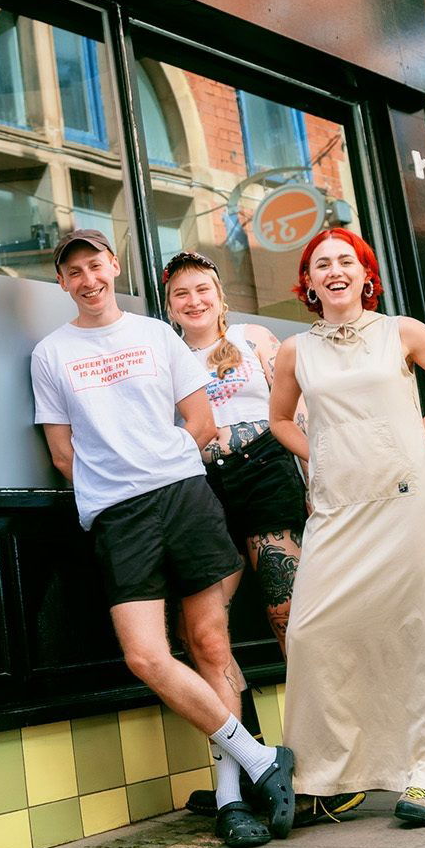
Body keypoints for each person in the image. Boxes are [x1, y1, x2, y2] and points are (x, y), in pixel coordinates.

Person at [31, 230, 297, 848]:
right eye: (73, 271)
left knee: (209, 642)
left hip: (184, 497)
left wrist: (158, 463)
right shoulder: (51, 353)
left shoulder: (155, 335)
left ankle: (231, 799)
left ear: (114, 267)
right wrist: (116, 480)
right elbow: (62, 454)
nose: (88, 279)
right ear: (62, 283)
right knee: (146, 655)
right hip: (118, 517)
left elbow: (200, 422)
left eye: (95, 265)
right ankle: (261, 760)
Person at [266, 227, 425, 828]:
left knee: (423, 629)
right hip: (338, 504)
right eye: (320, 264)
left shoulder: (401, 331)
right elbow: (280, 420)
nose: (333, 271)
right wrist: (323, 453)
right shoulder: (294, 351)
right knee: (313, 633)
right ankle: (328, 778)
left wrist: (421, 432)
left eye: (345, 261)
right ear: (307, 282)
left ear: (366, 274)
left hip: (406, 495)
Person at [160, 251, 307, 652]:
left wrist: (315, 482)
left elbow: (300, 414)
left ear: (220, 295)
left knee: (287, 612)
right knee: (198, 631)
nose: (194, 301)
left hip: (266, 471)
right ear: (170, 306)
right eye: (181, 294)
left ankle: (314, 713)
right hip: (203, 486)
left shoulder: (253, 338)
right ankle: (234, 717)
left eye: (202, 289)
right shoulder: (165, 362)